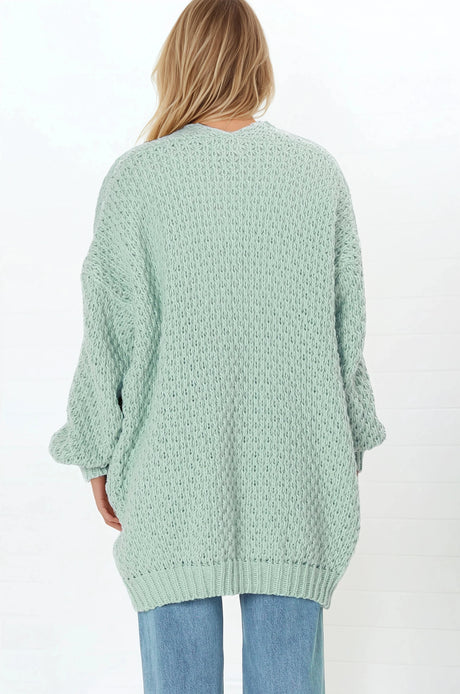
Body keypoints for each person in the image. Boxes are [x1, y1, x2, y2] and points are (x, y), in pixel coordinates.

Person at [48, 0, 386, 691]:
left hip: (169, 471)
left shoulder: (137, 179)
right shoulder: (316, 174)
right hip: (296, 467)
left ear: (178, 64)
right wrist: (344, 444)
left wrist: (95, 453)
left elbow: (107, 336)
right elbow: (346, 331)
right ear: (257, 63)